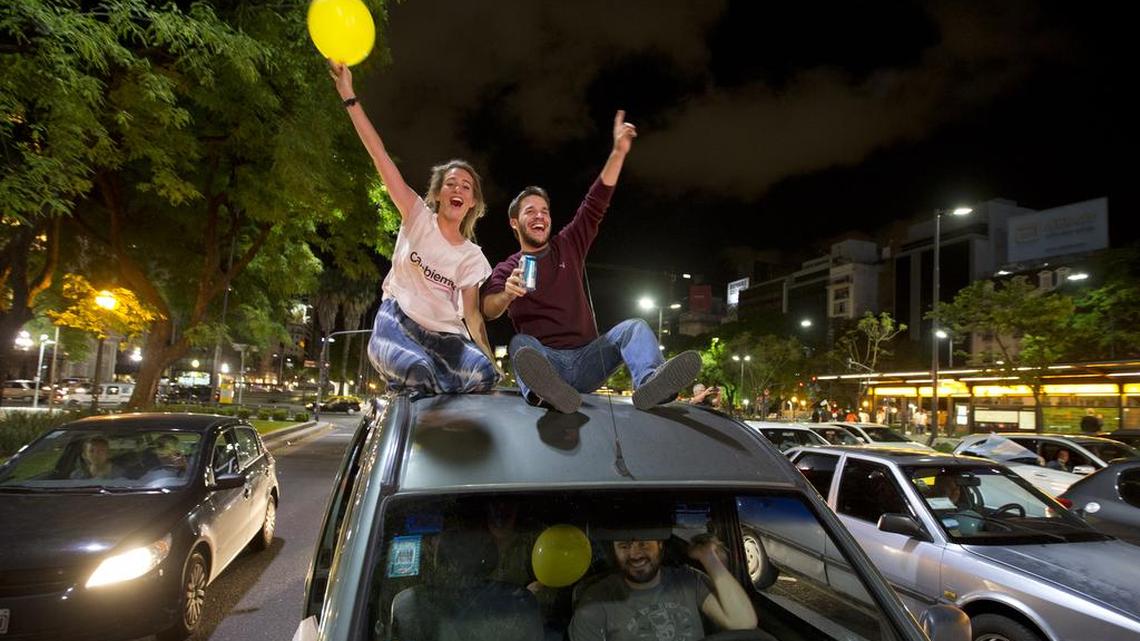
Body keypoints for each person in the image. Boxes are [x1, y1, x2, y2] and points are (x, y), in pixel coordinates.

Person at [481, 111, 700, 413]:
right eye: (530, 211)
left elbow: (595, 203)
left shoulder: (567, 245)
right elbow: (488, 310)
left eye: (544, 210)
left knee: (633, 327)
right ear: (514, 223)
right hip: (547, 363)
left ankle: (651, 383)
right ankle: (548, 393)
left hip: (588, 358)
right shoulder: (508, 268)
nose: (540, 216)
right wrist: (507, 293)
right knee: (521, 343)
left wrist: (618, 153)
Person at [331, 62, 499, 398]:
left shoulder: (471, 257)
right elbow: (380, 157)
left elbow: (472, 316)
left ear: (472, 203)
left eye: (466, 187)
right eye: (450, 183)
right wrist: (349, 96)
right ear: (438, 194)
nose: (457, 189)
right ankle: (410, 396)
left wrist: (491, 361)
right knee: (417, 371)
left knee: (482, 375)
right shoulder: (416, 215)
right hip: (398, 324)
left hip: (446, 339)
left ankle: (440, 406)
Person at [570, 534, 757, 641]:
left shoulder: (687, 580)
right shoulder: (596, 600)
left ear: (660, 545)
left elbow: (742, 623)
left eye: (643, 544)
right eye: (624, 546)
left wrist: (708, 557)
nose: (635, 554)